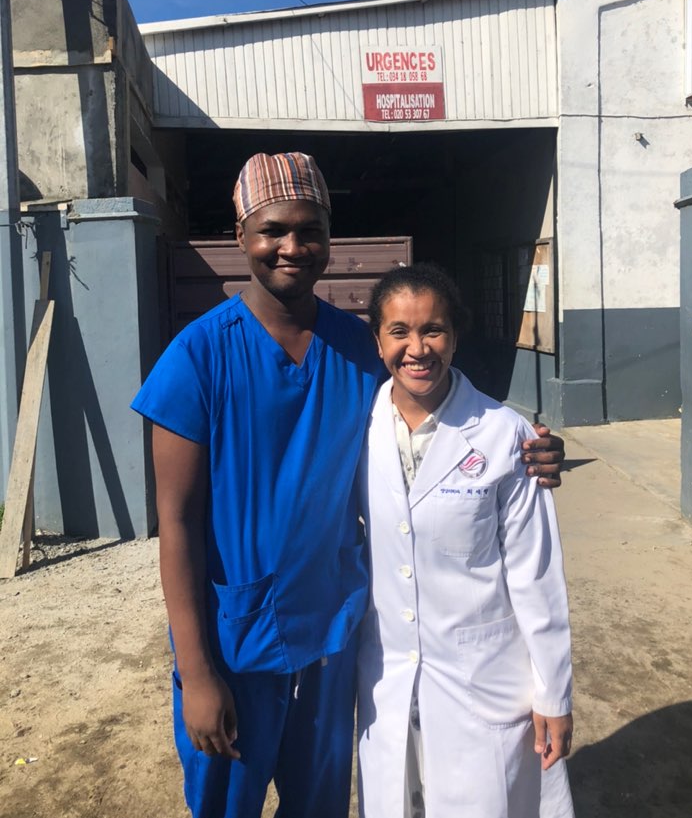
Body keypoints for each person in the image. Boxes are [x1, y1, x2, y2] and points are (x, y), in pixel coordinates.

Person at [131, 152, 566, 818]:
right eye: (273, 229)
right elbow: (178, 522)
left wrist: (522, 443)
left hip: (333, 641)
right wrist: (196, 671)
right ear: (241, 236)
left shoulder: (356, 349)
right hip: (234, 646)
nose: (292, 246)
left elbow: (430, 408)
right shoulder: (198, 356)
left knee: (321, 804)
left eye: (310, 230)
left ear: (329, 239)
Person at [356, 263, 574, 818]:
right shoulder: (358, 427)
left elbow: (536, 573)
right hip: (387, 676)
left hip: (484, 680)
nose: (417, 349)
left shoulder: (506, 434)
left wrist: (554, 693)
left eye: (433, 330)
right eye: (399, 332)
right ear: (377, 340)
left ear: (454, 337)